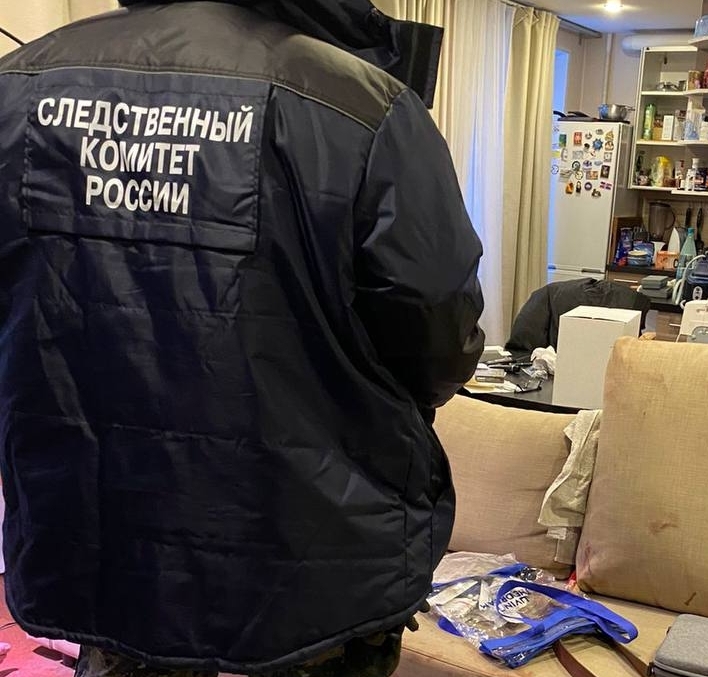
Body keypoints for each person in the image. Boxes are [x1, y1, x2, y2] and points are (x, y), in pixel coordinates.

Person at [0, 1, 484, 676]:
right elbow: (438, 337)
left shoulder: (18, 89)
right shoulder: (363, 106)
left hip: (101, 542)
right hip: (314, 557)